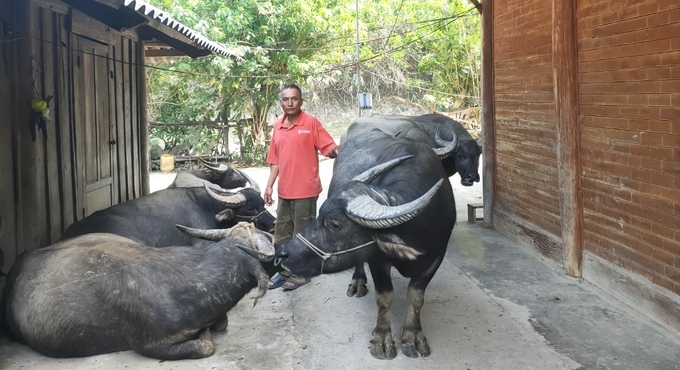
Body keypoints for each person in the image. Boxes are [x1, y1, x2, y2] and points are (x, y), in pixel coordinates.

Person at [265, 84, 339, 290]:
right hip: (284, 192)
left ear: (301, 101)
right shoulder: (278, 126)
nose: (290, 103)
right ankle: (283, 272)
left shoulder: (311, 123)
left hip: (305, 191)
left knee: (302, 236)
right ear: (280, 102)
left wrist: (336, 150)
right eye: (286, 99)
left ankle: (301, 274)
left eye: (294, 99)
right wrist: (269, 186)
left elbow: (328, 147)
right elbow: (275, 161)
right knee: (281, 235)